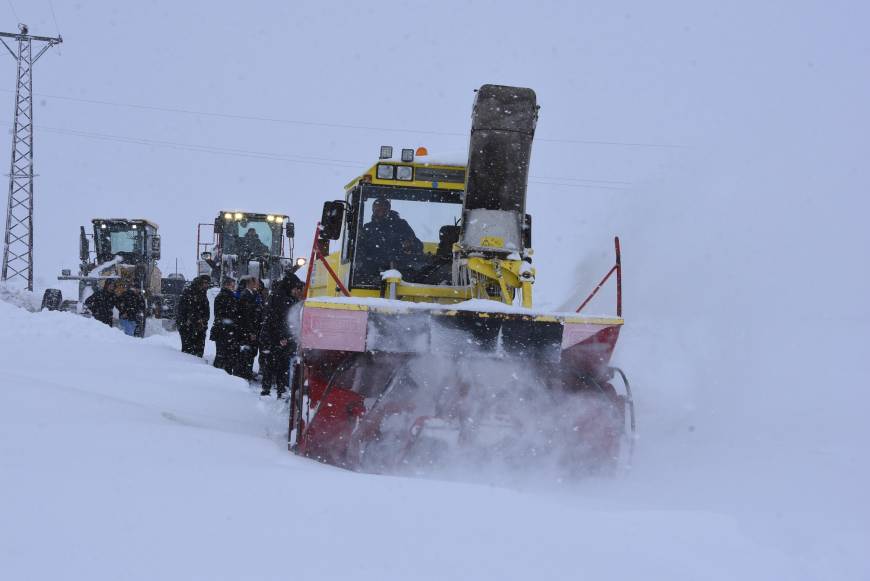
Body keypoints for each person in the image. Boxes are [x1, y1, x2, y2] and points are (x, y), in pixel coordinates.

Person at [259, 271, 305, 398]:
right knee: (275, 363)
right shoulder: (280, 298)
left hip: (277, 336)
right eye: (296, 288)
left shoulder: (284, 296)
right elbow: (277, 319)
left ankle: (278, 388)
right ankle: (270, 389)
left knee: (279, 363)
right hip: (275, 337)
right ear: (290, 286)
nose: (297, 291)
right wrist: (282, 337)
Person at [356, 197, 422, 278]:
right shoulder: (367, 229)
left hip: (401, 271)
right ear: (373, 210)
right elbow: (359, 250)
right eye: (377, 209)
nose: (380, 212)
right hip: (373, 273)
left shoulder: (401, 225)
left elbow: (417, 245)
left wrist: (409, 246)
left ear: (388, 210)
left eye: (383, 209)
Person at [234, 276, 263, 380]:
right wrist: (251, 331)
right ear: (250, 283)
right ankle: (242, 374)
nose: (258, 284)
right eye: (256, 282)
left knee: (251, 353)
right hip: (246, 330)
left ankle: (247, 372)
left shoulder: (254, 294)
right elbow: (246, 316)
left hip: (253, 328)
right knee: (245, 353)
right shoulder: (245, 295)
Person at [176, 275, 211, 357]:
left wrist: (203, 320)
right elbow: (186, 310)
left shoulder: (203, 293)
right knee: (188, 352)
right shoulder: (189, 292)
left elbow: (206, 310)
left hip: (200, 327)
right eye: (205, 283)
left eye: (208, 283)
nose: (206, 285)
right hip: (188, 326)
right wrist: (193, 320)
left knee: (198, 352)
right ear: (200, 283)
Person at [210, 276, 238, 374]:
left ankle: (223, 372)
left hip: (224, 329)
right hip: (224, 330)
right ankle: (222, 373)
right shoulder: (225, 296)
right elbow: (223, 314)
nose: (234, 287)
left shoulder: (227, 296)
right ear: (227, 285)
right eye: (232, 285)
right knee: (224, 354)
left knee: (224, 354)